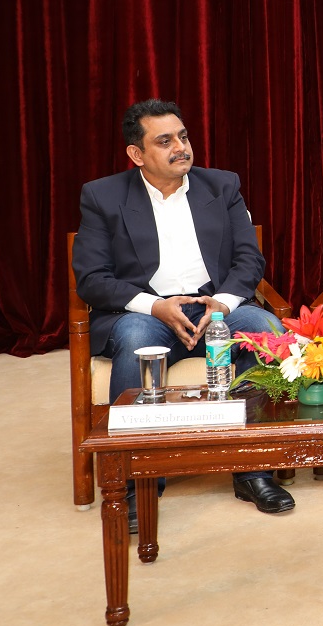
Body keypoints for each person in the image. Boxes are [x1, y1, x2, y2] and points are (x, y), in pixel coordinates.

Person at [73, 99, 294, 532]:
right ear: (136, 154)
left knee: (267, 331)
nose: (181, 147)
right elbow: (92, 279)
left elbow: (249, 260)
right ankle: (139, 482)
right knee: (138, 340)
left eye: (184, 136)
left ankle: (252, 468)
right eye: (165, 141)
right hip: (145, 308)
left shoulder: (222, 186)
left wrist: (224, 303)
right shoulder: (102, 196)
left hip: (215, 306)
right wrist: (154, 305)